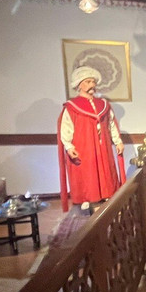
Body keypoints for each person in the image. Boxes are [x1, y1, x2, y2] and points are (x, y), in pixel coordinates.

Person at [58, 66, 125, 211]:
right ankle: (87, 198)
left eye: (93, 82)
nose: (92, 85)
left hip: (103, 146)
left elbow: (111, 124)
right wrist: (69, 146)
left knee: (106, 170)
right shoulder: (72, 106)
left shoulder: (103, 105)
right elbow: (66, 127)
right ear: (79, 84)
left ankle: (107, 195)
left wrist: (118, 141)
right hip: (84, 146)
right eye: (88, 82)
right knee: (87, 172)